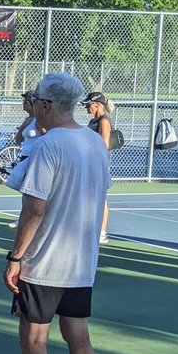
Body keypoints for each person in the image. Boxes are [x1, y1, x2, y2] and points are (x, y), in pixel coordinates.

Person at [0, 73, 110, 354]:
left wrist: (16, 257)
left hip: (44, 263)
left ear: (46, 105)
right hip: (81, 263)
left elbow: (34, 209)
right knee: (79, 339)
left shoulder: (47, 146)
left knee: (34, 340)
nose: (32, 104)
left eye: (35, 99)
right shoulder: (94, 142)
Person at [82, 92, 114, 244]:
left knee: (101, 199)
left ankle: (102, 233)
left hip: (98, 164)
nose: (87, 108)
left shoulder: (104, 121)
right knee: (88, 197)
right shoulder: (93, 121)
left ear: (98, 105)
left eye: (89, 105)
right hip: (89, 163)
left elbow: (104, 145)